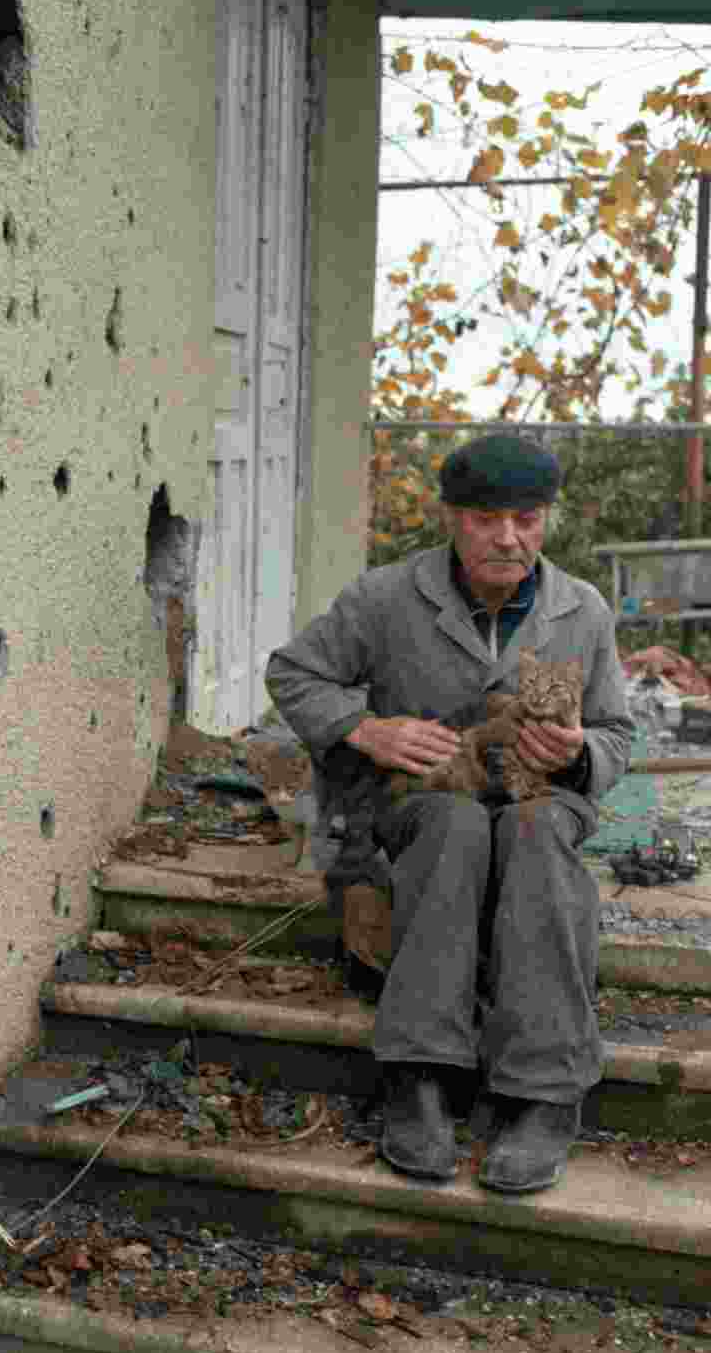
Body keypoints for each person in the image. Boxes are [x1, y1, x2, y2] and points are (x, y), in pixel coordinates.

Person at [265, 435, 633, 1194]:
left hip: (541, 804)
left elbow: (617, 732)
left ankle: (544, 1094)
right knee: (455, 826)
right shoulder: (386, 597)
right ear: (451, 519)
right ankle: (420, 1078)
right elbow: (294, 673)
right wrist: (369, 729)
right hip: (426, 808)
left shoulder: (582, 610)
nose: (508, 537)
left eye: (527, 519)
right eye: (486, 520)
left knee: (536, 832)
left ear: (545, 521)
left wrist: (578, 752)